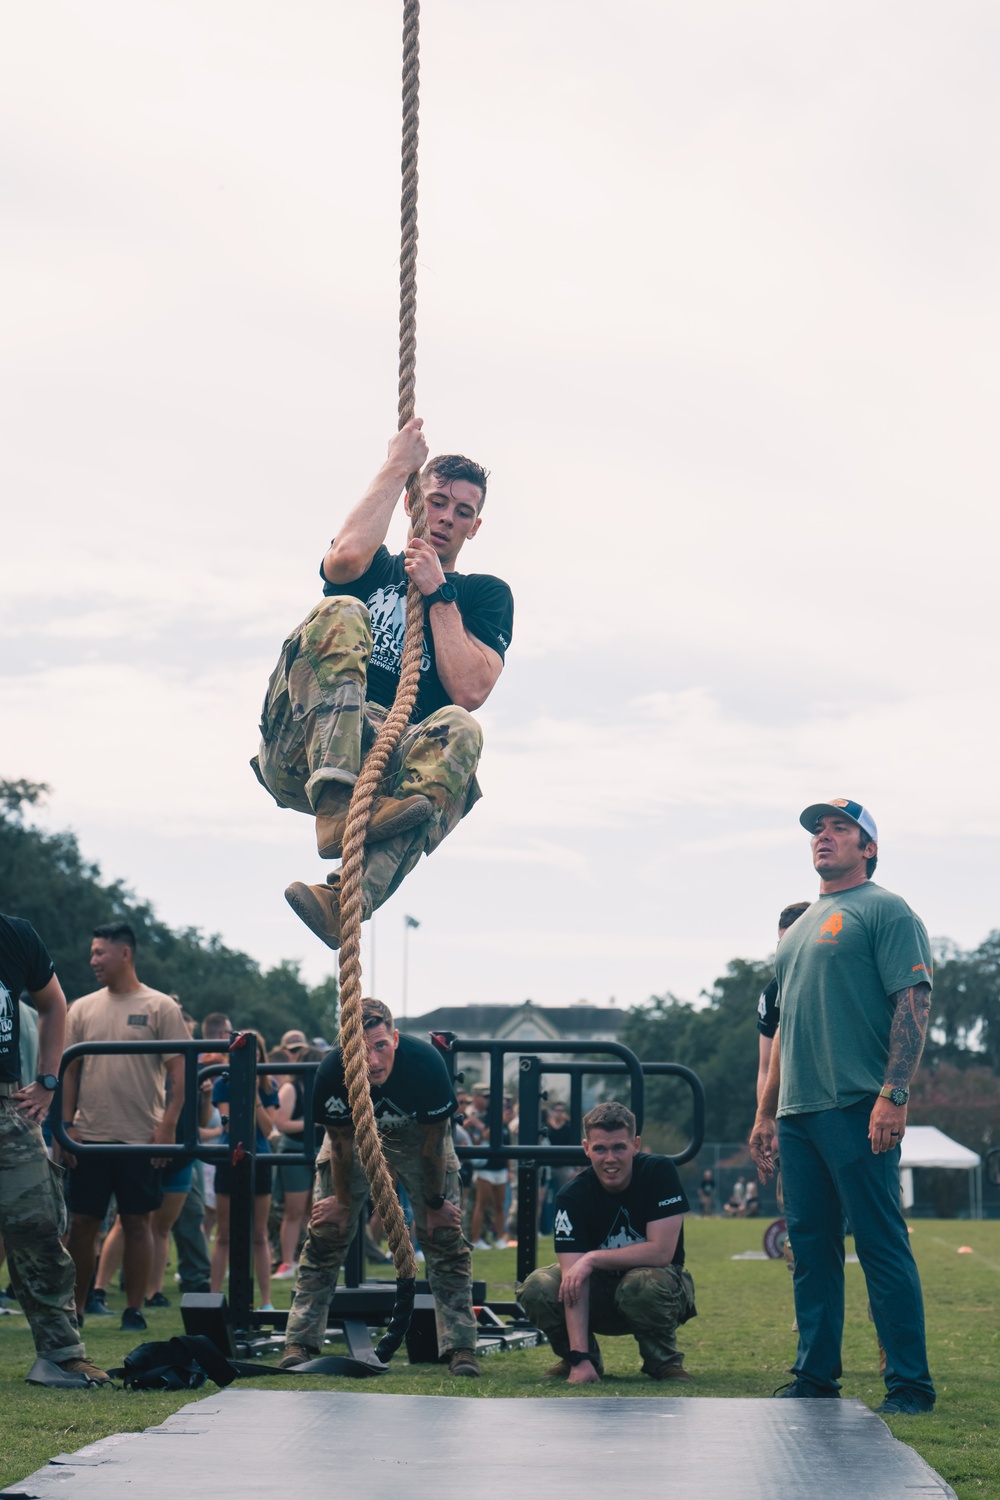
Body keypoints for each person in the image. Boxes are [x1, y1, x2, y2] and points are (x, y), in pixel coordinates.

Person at [251, 419, 514, 950]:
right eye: (438, 501)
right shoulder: (373, 561)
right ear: (415, 501)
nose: (446, 518)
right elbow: (342, 560)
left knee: (462, 728)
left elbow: (469, 690)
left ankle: (344, 903)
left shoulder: (484, 595)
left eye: (463, 512)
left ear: (475, 527)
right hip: (302, 749)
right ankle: (333, 804)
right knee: (341, 609)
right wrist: (398, 466)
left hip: (383, 771)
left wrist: (439, 595)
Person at [750, 798, 936, 1416]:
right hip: (799, 1113)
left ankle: (909, 1386)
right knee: (811, 1251)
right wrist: (765, 1115)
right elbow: (784, 1031)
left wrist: (894, 1094)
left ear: (869, 848)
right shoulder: (800, 926)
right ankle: (814, 1378)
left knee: (881, 1246)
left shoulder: (885, 910)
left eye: (840, 829)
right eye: (818, 830)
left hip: (859, 1104)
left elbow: (914, 1004)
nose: (824, 838)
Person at [281, 997, 480, 1377]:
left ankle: (460, 1347)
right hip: (354, 1137)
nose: (372, 1061)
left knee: (444, 1237)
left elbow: (435, 1142)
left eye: (381, 1046)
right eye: (361, 1049)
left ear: (396, 1039)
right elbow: (339, 1143)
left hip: (418, 1136)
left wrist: (434, 1202)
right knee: (327, 1233)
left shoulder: (425, 1065)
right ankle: (300, 1341)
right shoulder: (331, 1072)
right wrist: (340, 1201)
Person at [62, 923, 188, 1333]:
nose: (93, 960)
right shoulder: (80, 1007)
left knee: (138, 1223)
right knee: (81, 1225)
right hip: (90, 1135)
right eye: (92, 952)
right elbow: (68, 1071)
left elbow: (180, 1072)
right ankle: (76, 1309)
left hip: (140, 1137)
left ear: (125, 954)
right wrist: (66, 1126)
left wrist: (167, 1127)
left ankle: (134, 1309)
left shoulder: (160, 1006)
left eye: (100, 952)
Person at [0, 911, 109, 1386]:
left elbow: (54, 1004)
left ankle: (61, 1354)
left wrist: (47, 1080)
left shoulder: (14, 934)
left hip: (8, 1106)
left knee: (40, 1224)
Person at [518, 1100, 696, 1385]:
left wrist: (592, 1258)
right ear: (586, 1147)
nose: (609, 1158)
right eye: (600, 1149)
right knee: (538, 1285)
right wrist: (580, 1358)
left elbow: (662, 1252)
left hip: (659, 1291)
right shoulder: (571, 1197)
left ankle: (663, 1362)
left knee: (641, 1283)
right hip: (597, 1296)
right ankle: (580, 1359)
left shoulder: (659, 1172)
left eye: (619, 1148)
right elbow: (572, 1279)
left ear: (636, 1145)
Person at [210, 1031, 278, 1310]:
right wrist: (242, 1088)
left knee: (259, 1235)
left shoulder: (270, 1085)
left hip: (259, 1158)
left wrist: (254, 1096)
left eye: (257, 1053)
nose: (253, 1058)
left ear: (261, 1056)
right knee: (224, 1234)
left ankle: (266, 1302)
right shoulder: (223, 1083)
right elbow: (229, 1126)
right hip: (230, 1158)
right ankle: (213, 1298)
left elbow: (267, 1128)